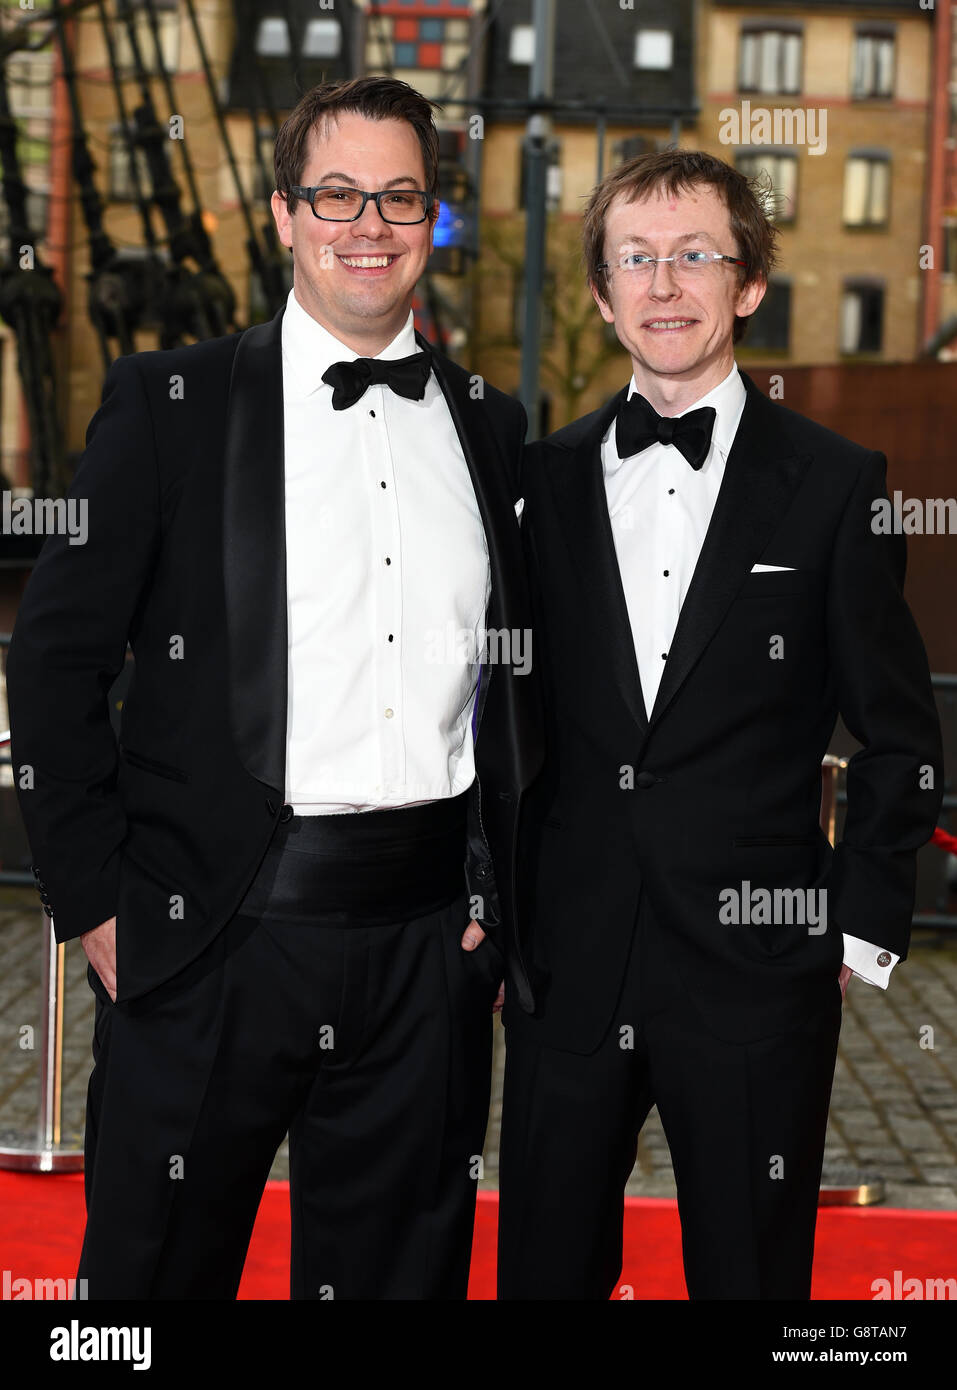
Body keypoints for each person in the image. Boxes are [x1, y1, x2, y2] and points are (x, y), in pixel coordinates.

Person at [6, 75, 541, 1300]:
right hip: (205, 940)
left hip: (424, 953)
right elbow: (55, 659)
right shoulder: (168, 405)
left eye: (399, 196)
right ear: (285, 214)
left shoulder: (492, 425)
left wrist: (492, 908)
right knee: (144, 1292)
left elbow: (522, 690)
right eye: (337, 193)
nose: (370, 223)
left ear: (432, 219)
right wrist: (96, 902)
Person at [494, 149, 943, 1300]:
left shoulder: (838, 482)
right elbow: (505, 713)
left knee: (749, 1276)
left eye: (697, 254)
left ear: (748, 283)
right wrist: (494, 907)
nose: (665, 283)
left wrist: (856, 928)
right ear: (602, 293)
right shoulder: (540, 481)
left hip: (758, 967)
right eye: (636, 258)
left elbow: (899, 729)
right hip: (569, 961)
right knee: (545, 1268)